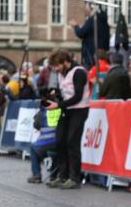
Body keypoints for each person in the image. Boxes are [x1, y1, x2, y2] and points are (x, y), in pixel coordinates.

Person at [45, 49, 90, 189]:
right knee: (60, 141)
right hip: (66, 110)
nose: (56, 69)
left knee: (72, 142)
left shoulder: (79, 72)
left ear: (66, 62)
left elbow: (77, 96)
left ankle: (74, 177)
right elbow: (63, 92)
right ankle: (62, 175)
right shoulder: (60, 74)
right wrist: (55, 94)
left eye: (58, 66)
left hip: (79, 110)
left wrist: (58, 105)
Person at [27, 91, 61, 183]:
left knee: (33, 148)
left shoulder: (44, 111)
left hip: (45, 143)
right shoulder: (61, 109)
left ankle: (36, 175)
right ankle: (54, 176)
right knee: (56, 153)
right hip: (60, 141)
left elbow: (36, 125)